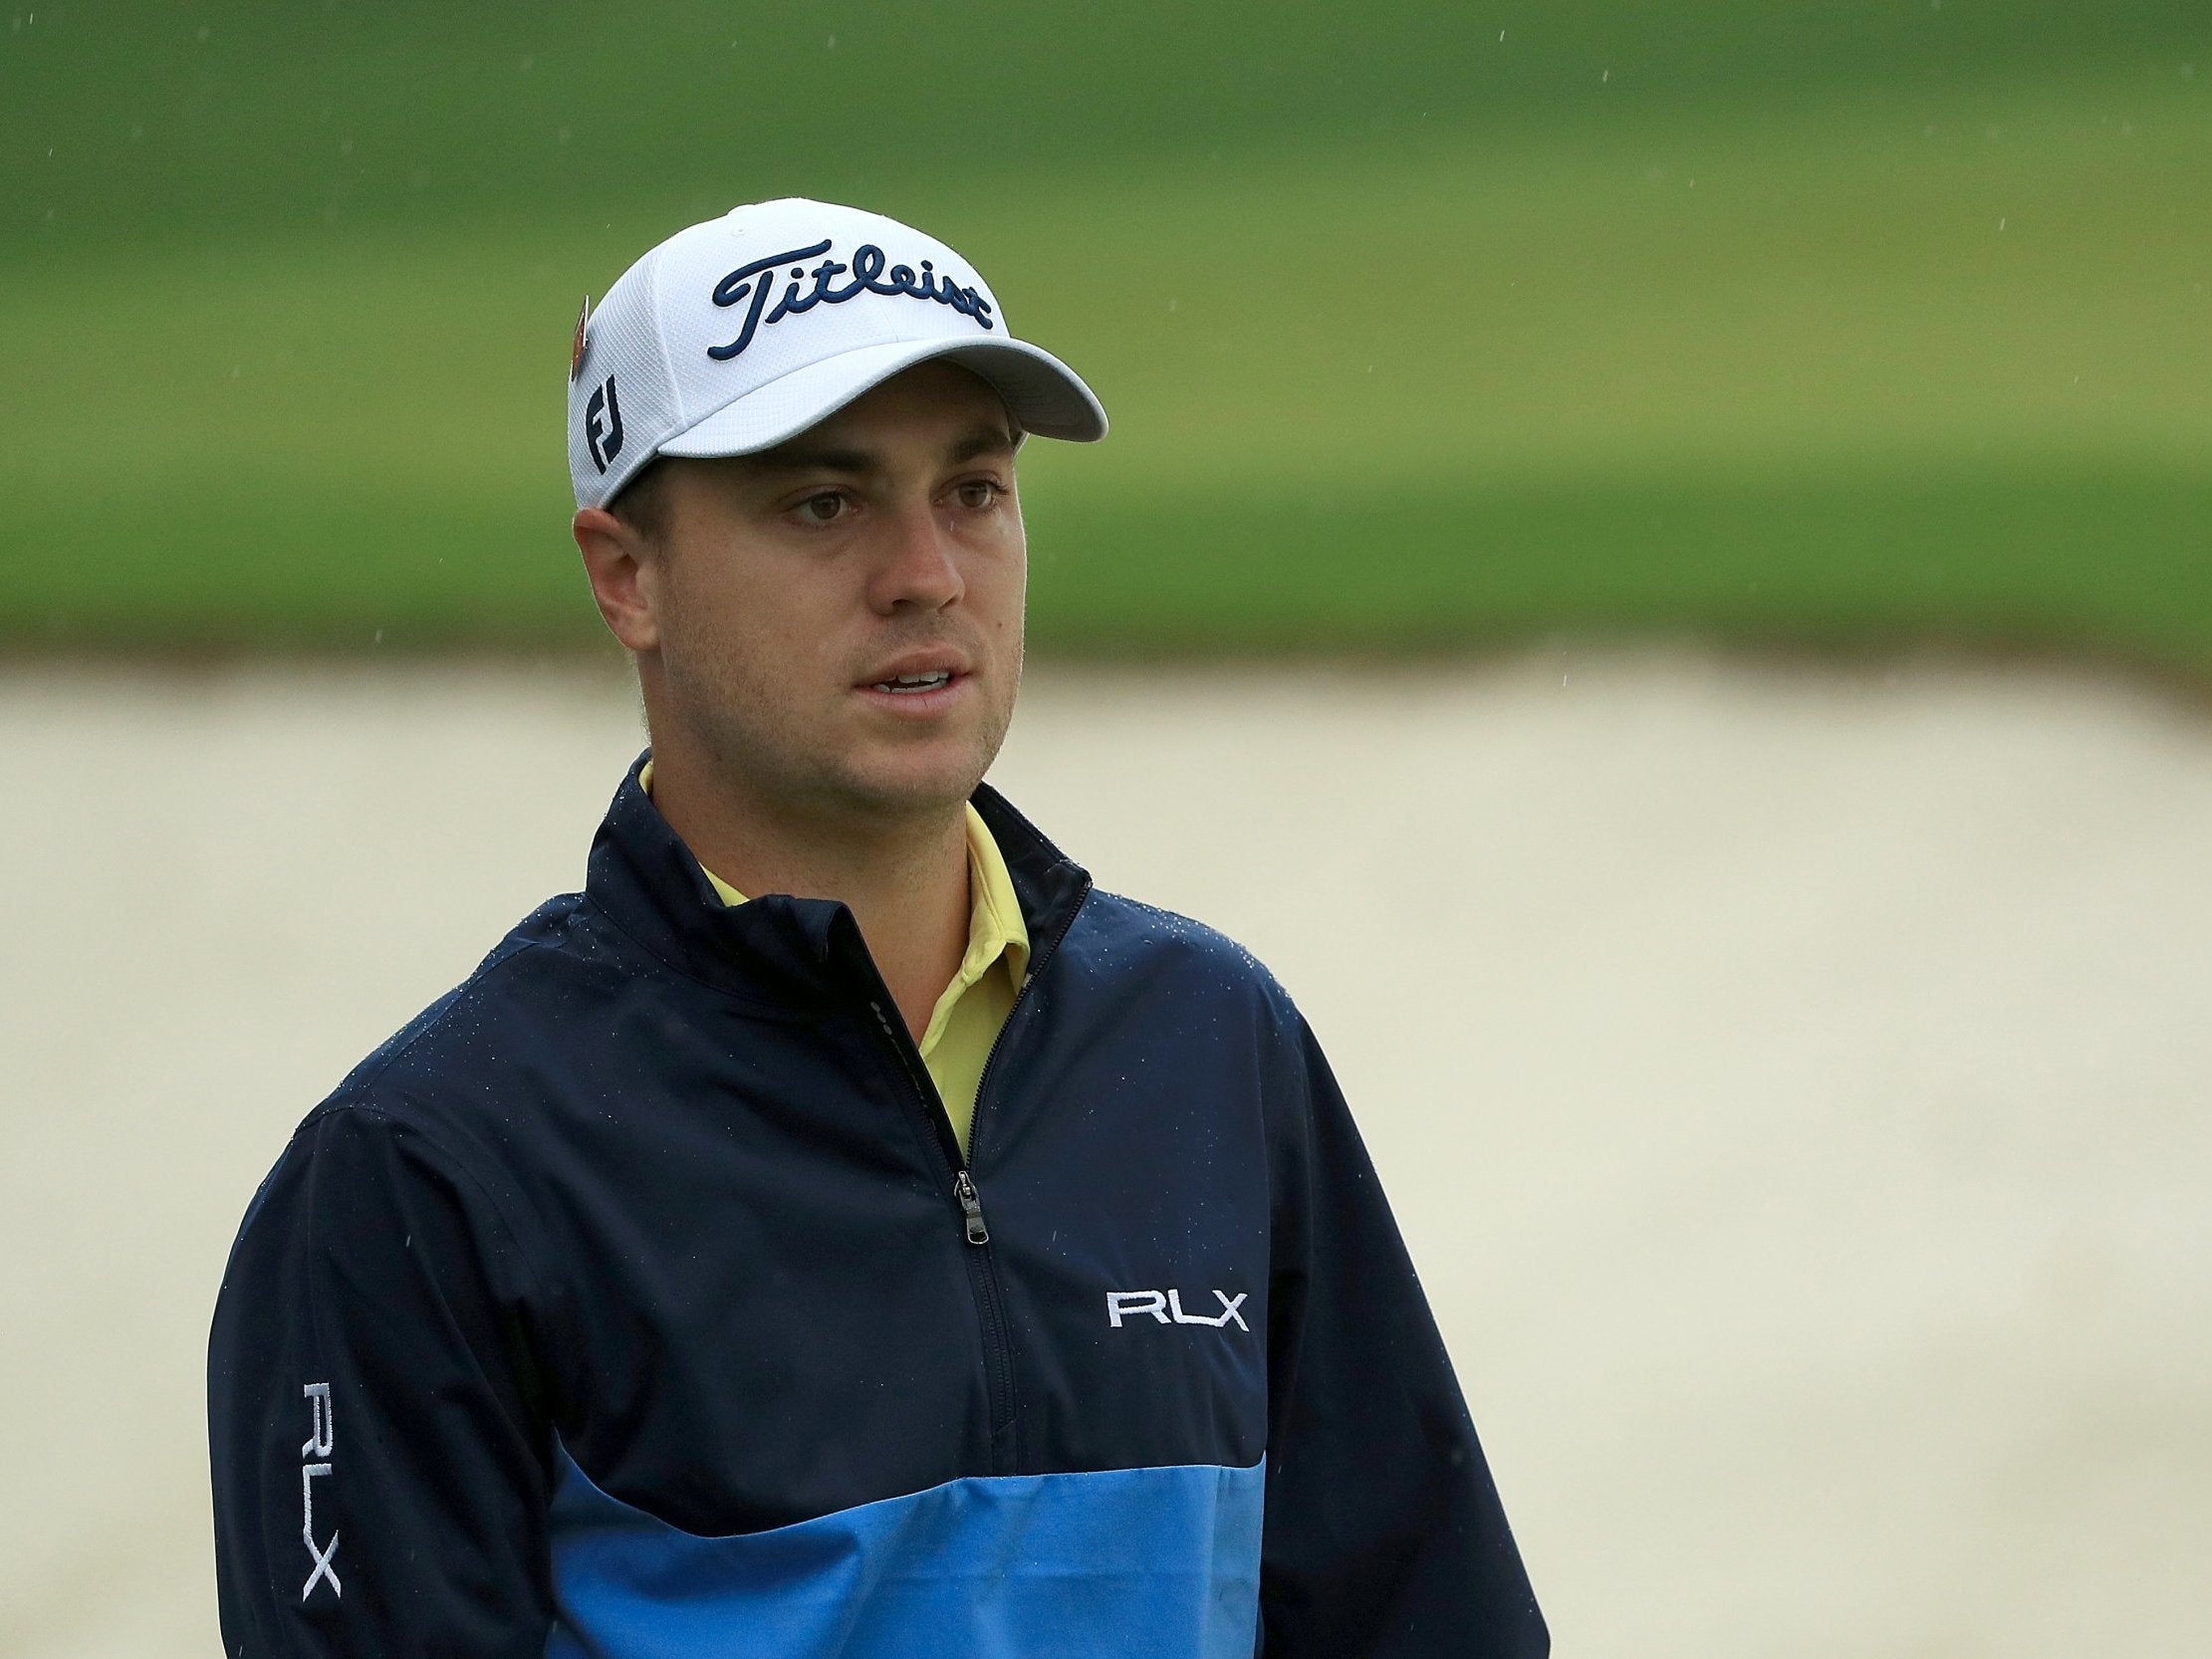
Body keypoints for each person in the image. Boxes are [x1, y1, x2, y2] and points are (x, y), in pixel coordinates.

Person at [207, 196, 1546, 1658]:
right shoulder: (428, 1170)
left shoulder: (1207, 1043)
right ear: (624, 574)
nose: (926, 573)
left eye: (972, 488)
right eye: (822, 503)